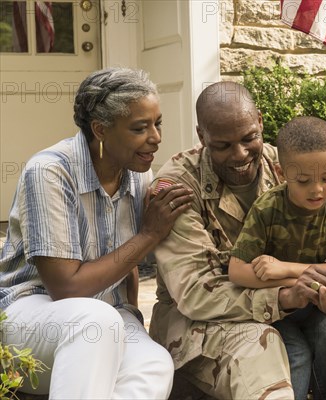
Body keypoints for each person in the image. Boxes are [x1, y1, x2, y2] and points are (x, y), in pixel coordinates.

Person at [149, 81, 326, 399]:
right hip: (200, 323)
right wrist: (284, 297)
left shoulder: (290, 163)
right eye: (223, 145)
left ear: (259, 121)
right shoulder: (176, 187)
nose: (240, 154)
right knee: (264, 341)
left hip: (293, 308)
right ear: (202, 137)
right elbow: (196, 294)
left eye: (249, 138)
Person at [0, 67, 193, 398]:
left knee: (154, 363)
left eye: (157, 123)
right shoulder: (50, 172)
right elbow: (65, 287)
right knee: (96, 322)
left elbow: (126, 267)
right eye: (139, 128)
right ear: (101, 129)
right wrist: (148, 235)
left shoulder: (136, 173)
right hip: (30, 316)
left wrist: (132, 317)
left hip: (107, 315)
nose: (156, 138)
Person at [229, 116, 326, 400]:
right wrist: (293, 281)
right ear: (281, 171)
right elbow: (237, 271)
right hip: (280, 309)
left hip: (319, 306)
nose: (317, 190)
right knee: (296, 355)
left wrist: (282, 268)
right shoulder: (267, 209)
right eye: (303, 181)